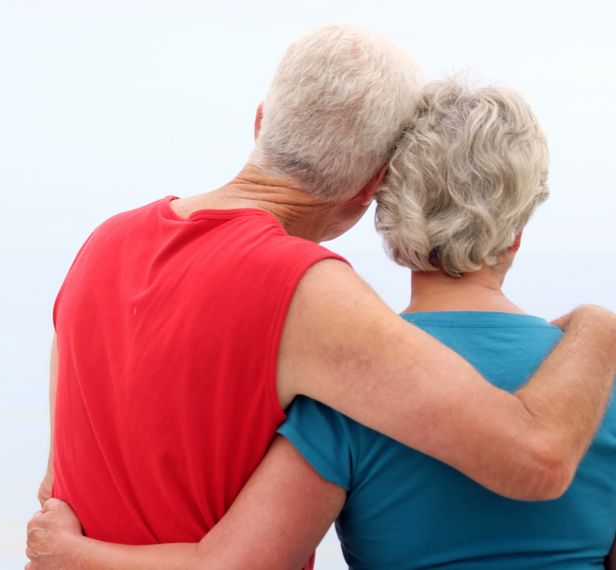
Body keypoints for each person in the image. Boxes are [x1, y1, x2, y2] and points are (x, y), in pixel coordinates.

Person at [35, 24, 616, 567]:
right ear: (373, 186)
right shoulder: (307, 288)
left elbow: (56, 483)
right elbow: (533, 456)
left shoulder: (103, 245)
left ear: (261, 121)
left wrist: (71, 556)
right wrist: (597, 324)